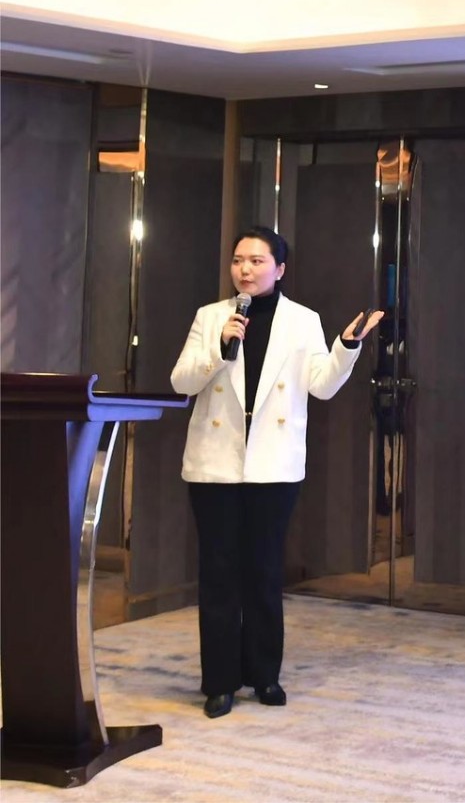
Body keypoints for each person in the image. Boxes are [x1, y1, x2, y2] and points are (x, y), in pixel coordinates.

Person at [169, 226, 382, 719]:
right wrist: (219, 346)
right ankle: (220, 682)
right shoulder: (211, 317)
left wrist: (346, 346)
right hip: (215, 466)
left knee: (264, 573)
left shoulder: (303, 321)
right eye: (238, 260)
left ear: (280, 269)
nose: (245, 269)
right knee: (219, 575)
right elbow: (181, 381)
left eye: (257, 261)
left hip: (274, 466)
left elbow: (322, 386)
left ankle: (264, 674)